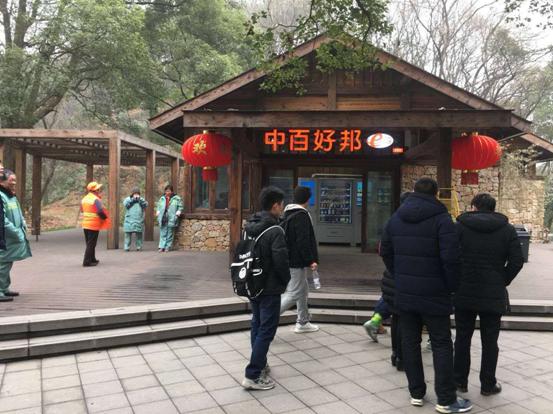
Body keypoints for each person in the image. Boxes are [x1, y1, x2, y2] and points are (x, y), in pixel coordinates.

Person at [380, 178, 472, 413]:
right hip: (435, 292)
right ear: (436, 194)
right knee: (441, 343)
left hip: (405, 291)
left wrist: (399, 275)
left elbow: (385, 251)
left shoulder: (396, 218)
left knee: (410, 342)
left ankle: (416, 393)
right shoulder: (442, 219)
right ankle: (446, 399)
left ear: (413, 192)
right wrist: (451, 286)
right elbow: (451, 258)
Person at [454, 193, 524, 396]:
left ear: (474, 207)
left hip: (464, 290)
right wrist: (502, 279)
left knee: (462, 338)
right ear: (493, 208)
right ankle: (487, 384)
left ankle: (459, 381)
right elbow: (517, 261)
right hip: (493, 292)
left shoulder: (460, 227)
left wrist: (456, 278)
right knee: (490, 341)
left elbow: (450, 255)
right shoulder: (507, 229)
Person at [242, 186, 291, 391]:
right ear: (275, 206)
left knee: (257, 324)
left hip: (252, 283)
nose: (282, 208)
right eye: (281, 204)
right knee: (267, 330)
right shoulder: (275, 230)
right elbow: (281, 261)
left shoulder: (249, 226)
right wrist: (285, 280)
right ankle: (253, 374)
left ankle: (260, 364)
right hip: (270, 287)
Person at [280, 186, 320, 333]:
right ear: (308, 199)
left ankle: (303, 322)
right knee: (293, 293)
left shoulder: (288, 213)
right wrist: (311, 260)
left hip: (290, 258)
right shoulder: (301, 216)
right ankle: (265, 318)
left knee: (303, 290)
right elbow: (303, 241)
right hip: (296, 261)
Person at [0, 170, 31, 301]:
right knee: (2, 264)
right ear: (1, 182)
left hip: (12, 238)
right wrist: (17, 232)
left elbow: (19, 212)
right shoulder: (1, 196)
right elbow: (3, 220)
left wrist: (23, 224)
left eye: (15, 180)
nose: (14, 183)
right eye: (11, 180)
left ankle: (4, 288)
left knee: (7, 263)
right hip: (6, 238)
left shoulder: (11, 195)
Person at [81, 182, 110, 267]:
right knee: (91, 243)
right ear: (95, 190)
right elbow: (100, 211)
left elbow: (82, 210)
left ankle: (92, 259)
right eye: (98, 189)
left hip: (85, 224)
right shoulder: (96, 199)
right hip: (93, 224)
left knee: (89, 243)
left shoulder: (84, 199)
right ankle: (86, 262)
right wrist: (105, 218)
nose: (99, 190)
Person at [156, 185, 183, 252]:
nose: (167, 192)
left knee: (170, 233)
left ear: (172, 191)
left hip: (172, 217)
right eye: (166, 191)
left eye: (169, 191)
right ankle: (161, 246)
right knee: (163, 232)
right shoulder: (162, 198)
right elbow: (158, 206)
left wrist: (178, 212)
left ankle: (167, 246)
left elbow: (180, 206)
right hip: (163, 217)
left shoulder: (177, 198)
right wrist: (158, 212)